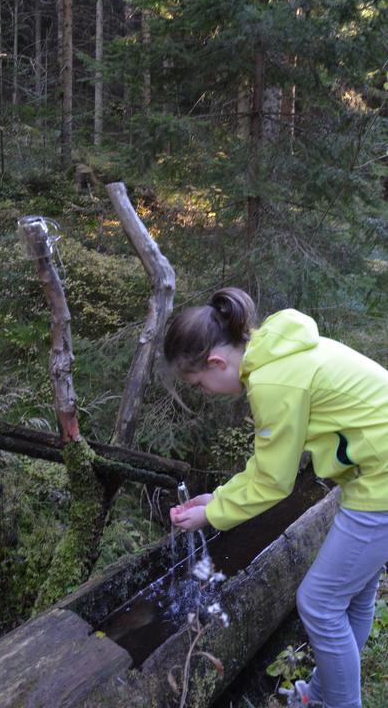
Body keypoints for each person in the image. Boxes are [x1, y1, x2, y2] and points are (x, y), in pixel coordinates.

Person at [165, 287, 388, 708]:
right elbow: (268, 465)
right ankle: (323, 695)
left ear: (216, 362)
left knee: (319, 605)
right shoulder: (279, 350)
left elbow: (273, 482)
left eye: (199, 383)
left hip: (381, 482)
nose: (206, 391)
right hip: (373, 475)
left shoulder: (272, 381)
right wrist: (218, 497)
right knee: (351, 596)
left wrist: (212, 515)